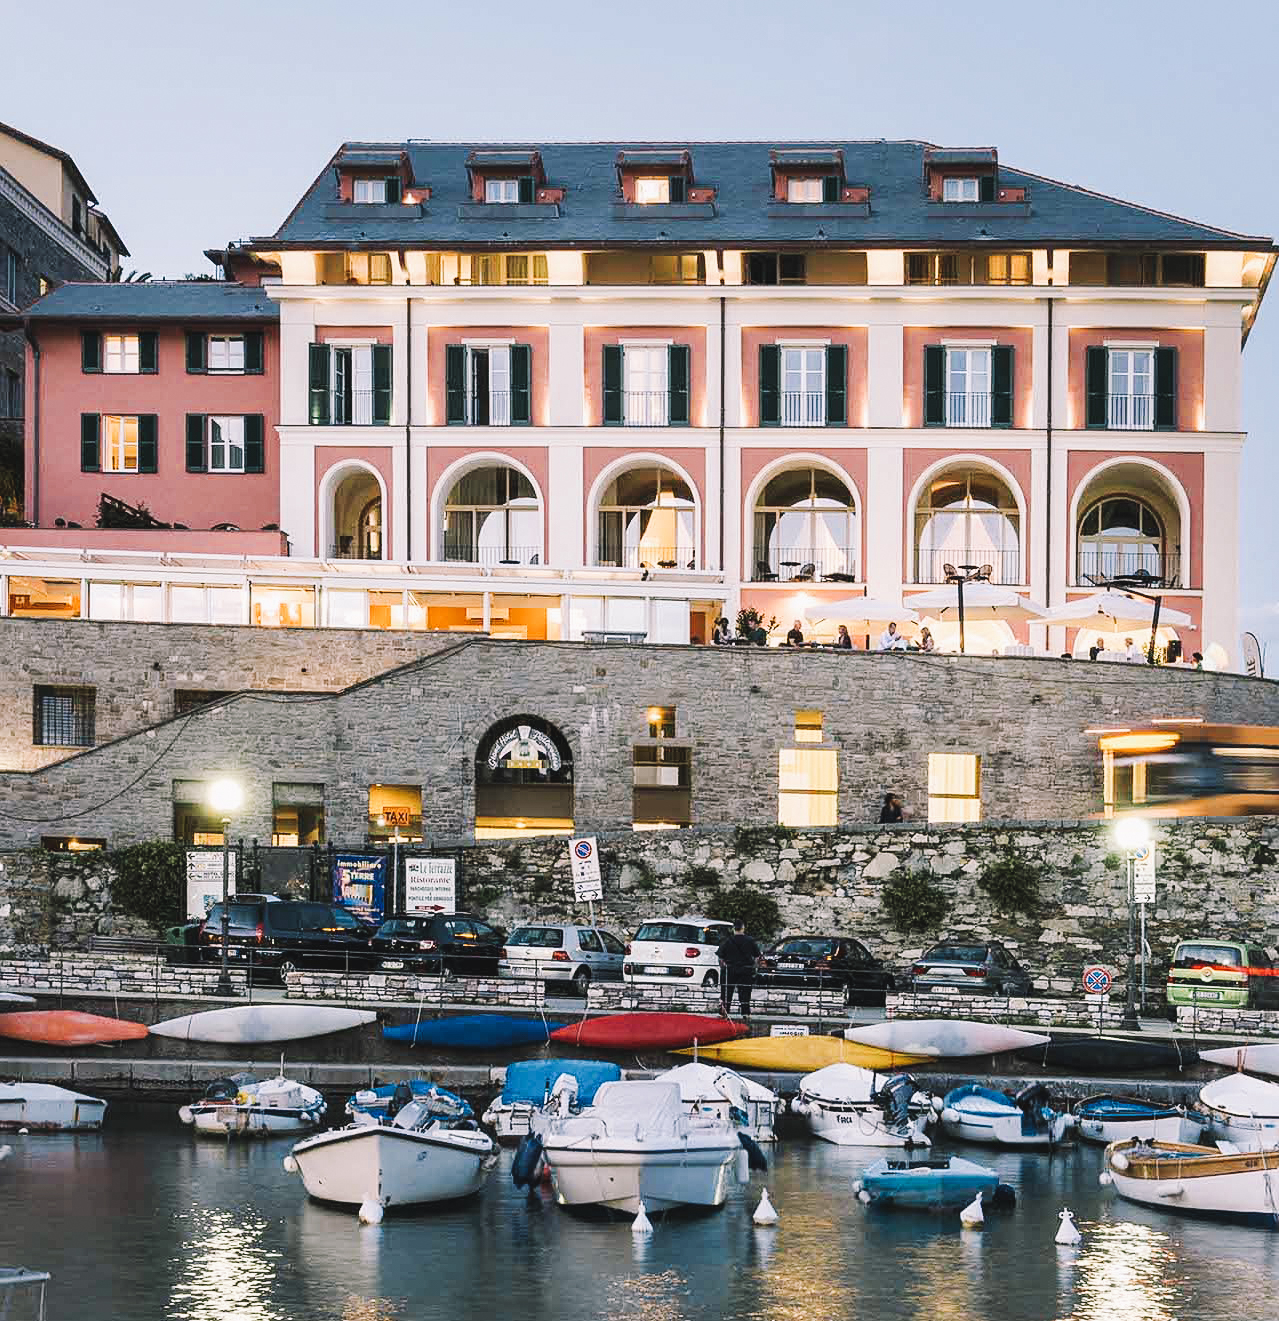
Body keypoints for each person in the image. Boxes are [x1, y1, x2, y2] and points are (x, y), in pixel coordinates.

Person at [717, 919, 761, 1017]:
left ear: (733, 929)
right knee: (745, 992)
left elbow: (720, 957)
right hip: (746, 970)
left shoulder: (727, 941)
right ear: (743, 928)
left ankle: (724, 1012)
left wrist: (723, 968)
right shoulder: (750, 940)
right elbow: (757, 956)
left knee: (726, 993)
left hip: (730, 970)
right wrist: (754, 967)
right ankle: (745, 1013)